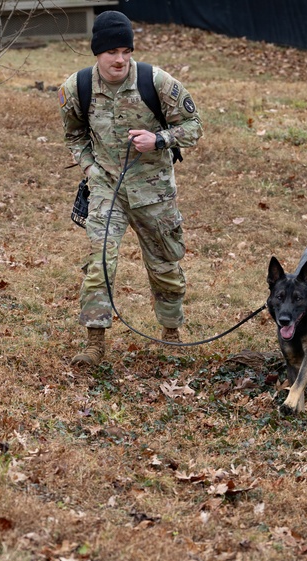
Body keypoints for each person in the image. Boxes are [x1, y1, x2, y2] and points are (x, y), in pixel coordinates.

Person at [58, 10, 203, 367]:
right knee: (100, 262)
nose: (119, 59)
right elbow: (74, 136)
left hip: (153, 192)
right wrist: (91, 169)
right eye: (111, 52)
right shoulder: (77, 88)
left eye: (125, 50)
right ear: (97, 53)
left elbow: (194, 125)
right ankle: (95, 343)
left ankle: (171, 334)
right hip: (107, 188)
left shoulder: (156, 82)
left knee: (165, 264)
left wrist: (159, 138)